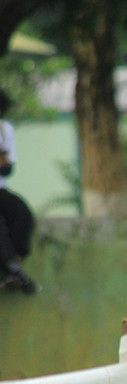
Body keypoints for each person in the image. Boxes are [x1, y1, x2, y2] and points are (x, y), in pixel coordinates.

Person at [0, 89, 39, 295]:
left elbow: (7, 170)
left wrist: (2, 155)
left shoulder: (4, 130)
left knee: (22, 215)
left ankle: (10, 265)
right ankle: (13, 270)